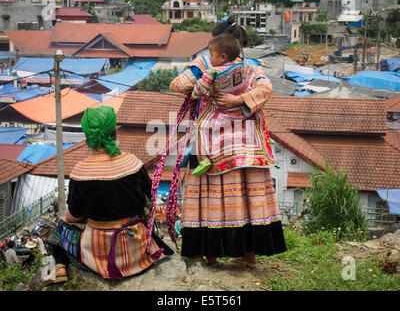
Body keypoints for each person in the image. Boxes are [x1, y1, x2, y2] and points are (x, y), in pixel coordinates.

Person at [169, 17, 286, 267]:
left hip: (212, 142)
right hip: (246, 144)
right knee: (246, 198)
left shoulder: (204, 65)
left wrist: (201, 78)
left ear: (217, 47)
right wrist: (239, 100)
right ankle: (249, 255)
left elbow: (178, 85)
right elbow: (266, 89)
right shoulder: (250, 66)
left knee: (209, 196)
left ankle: (210, 256)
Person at [44, 105, 172, 285]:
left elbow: (73, 217)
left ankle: (60, 268)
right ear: (114, 133)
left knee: (60, 228)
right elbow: (150, 197)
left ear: (88, 136)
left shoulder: (81, 173)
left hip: (100, 254)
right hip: (137, 250)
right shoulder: (133, 163)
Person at [190, 33, 272, 177]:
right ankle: (265, 138)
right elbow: (265, 89)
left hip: (220, 115)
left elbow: (181, 85)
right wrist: (240, 99)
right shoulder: (247, 69)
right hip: (242, 115)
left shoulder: (209, 69)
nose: (209, 58)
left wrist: (196, 92)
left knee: (201, 128)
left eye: (211, 54)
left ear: (222, 56)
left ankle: (204, 160)